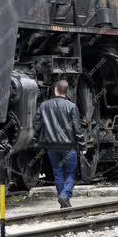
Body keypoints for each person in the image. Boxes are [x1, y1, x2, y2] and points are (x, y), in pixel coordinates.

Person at [34, 80, 85, 208]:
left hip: (51, 147)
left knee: (58, 173)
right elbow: (77, 129)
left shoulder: (43, 106)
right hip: (69, 147)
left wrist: (35, 140)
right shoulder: (71, 106)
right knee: (72, 174)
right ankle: (65, 196)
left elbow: (37, 126)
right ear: (66, 91)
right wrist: (82, 145)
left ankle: (64, 202)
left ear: (55, 89)